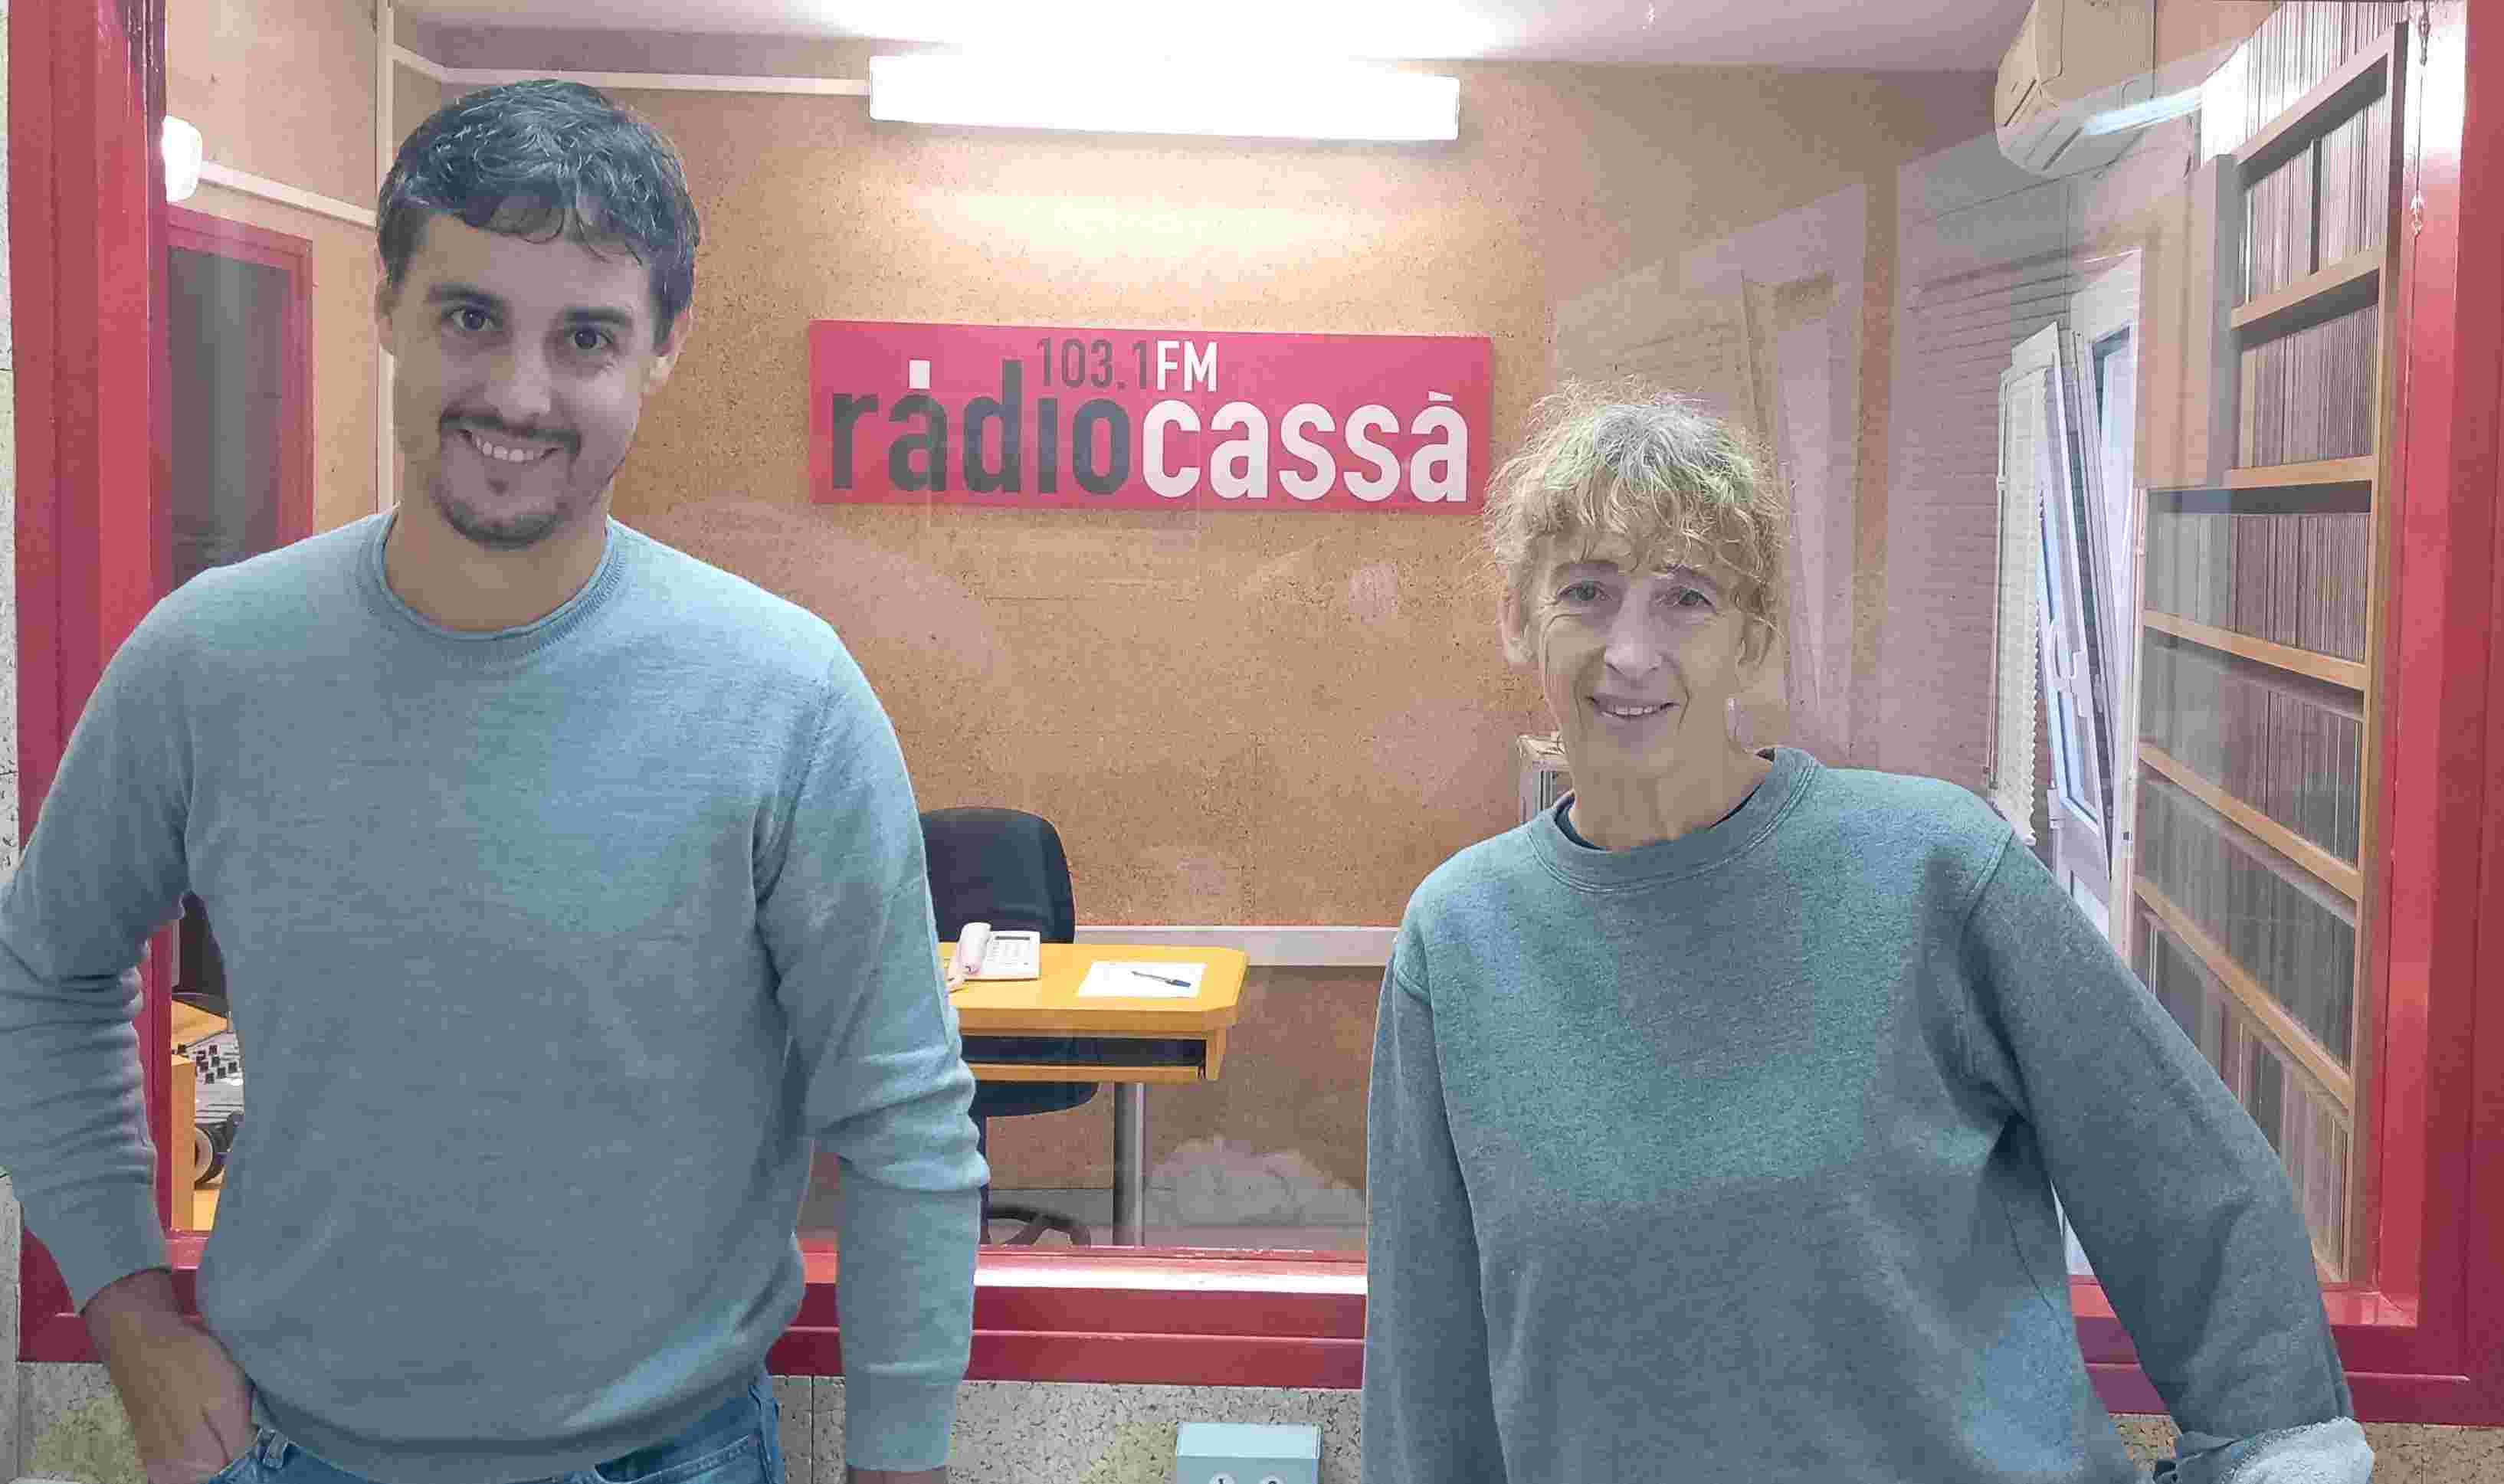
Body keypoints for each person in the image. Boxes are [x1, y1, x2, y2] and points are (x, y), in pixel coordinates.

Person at [0, 81, 981, 1484]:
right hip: (292, 1451)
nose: (521, 394)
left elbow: (903, 1122)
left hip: (678, 1459)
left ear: (663, 349)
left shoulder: (787, 699)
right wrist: (125, 1305)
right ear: (387, 306)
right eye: (471, 315)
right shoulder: (208, 664)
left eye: (586, 336)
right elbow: (41, 976)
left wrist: (902, 1462)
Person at [1359, 382, 2375, 1483]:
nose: (1632, 650)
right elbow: (1429, 1363)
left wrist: (2282, 1458)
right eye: (1586, 593)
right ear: (1519, 620)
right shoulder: (1459, 944)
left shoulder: (1936, 871)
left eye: (1686, 598)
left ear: (1754, 637)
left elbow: (2196, 1195)